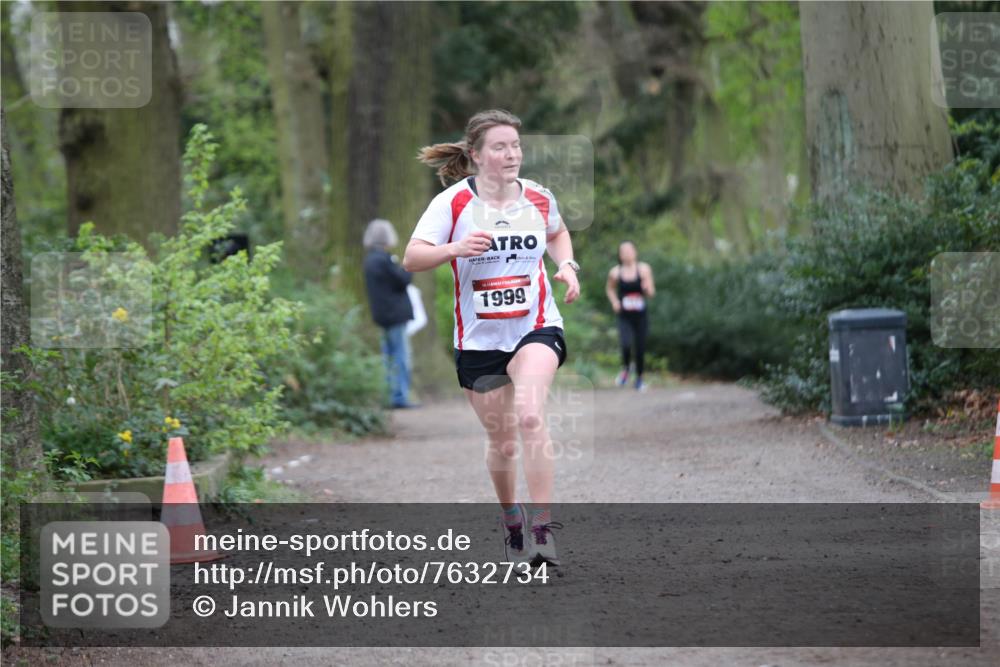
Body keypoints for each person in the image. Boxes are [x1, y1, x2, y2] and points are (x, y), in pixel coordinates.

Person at [403, 109, 580, 567]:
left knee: (530, 418)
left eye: (516, 146)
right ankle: (512, 521)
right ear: (477, 156)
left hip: (536, 326)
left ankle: (542, 532)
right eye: (500, 147)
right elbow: (412, 258)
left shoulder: (539, 197)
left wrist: (566, 265)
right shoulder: (453, 204)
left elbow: (558, 234)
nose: (512, 154)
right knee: (502, 443)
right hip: (479, 342)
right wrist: (454, 248)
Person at [363, 218, 418, 409]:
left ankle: (390, 394)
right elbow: (403, 279)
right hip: (395, 315)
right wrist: (407, 266)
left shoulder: (370, 260)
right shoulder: (384, 260)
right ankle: (399, 396)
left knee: (388, 357)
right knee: (401, 356)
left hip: (381, 315)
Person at [606, 241, 655, 391]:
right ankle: (626, 369)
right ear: (620, 255)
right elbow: (609, 289)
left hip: (640, 315)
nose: (626, 253)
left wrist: (646, 289)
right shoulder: (615, 272)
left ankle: (639, 379)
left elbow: (651, 293)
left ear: (635, 252)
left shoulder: (644, 269)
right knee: (626, 343)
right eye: (623, 251)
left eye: (629, 250)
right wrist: (615, 302)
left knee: (640, 347)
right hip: (624, 315)